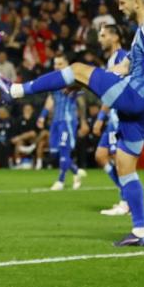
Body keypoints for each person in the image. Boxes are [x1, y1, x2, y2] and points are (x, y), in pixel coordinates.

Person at [0, 0, 144, 246]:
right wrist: (81, 85)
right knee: (125, 167)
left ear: (137, 1)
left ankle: (14, 90)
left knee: (79, 67)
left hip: (138, 98)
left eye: (122, 2)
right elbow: (121, 70)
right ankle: (140, 232)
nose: (120, 7)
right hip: (141, 109)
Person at [91, 24, 130, 215]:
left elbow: (118, 89)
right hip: (112, 116)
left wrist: (102, 117)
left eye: (103, 35)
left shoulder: (123, 57)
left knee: (119, 158)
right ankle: (126, 195)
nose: (100, 39)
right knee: (100, 155)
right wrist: (101, 118)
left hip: (120, 116)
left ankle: (126, 202)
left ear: (115, 38)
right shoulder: (112, 60)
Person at [37, 55, 89, 191]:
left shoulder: (73, 80)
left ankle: (60, 180)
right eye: (55, 64)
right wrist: (42, 116)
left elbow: (81, 102)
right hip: (56, 121)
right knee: (55, 152)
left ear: (66, 65)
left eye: (60, 64)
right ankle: (76, 172)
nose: (57, 67)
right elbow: (51, 99)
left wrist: (83, 121)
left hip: (68, 120)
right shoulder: (53, 81)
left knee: (64, 149)